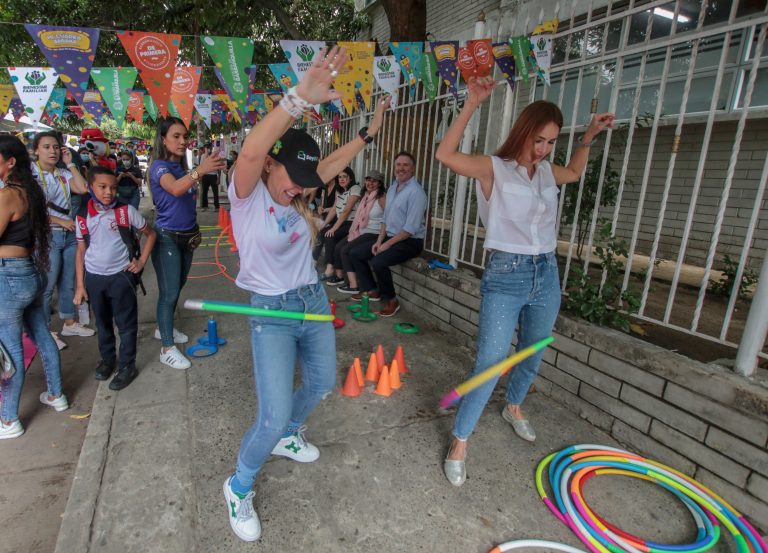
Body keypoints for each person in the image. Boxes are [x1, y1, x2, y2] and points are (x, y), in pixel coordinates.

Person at [223, 46, 390, 541]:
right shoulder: (247, 193)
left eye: (304, 182)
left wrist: (367, 133)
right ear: (273, 165)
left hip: (312, 301)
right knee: (271, 415)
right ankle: (238, 485)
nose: (298, 189)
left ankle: (290, 437)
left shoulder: (298, 186)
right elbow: (252, 150)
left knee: (319, 386)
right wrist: (297, 98)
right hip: (272, 311)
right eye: (291, 178)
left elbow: (334, 160)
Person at [435, 76, 615, 486]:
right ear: (523, 132)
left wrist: (587, 136)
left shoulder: (548, 172)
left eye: (551, 142)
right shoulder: (493, 168)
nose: (545, 149)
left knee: (533, 351)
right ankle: (461, 438)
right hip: (507, 274)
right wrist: (472, 104)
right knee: (491, 362)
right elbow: (445, 154)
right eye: (540, 140)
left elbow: (573, 171)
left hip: (546, 273)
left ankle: (513, 405)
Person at [0, 135, 68, 439]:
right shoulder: (30, 192)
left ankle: (8, 419)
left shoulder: (8, 195)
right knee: (41, 334)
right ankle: (56, 395)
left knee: (10, 350)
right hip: (29, 273)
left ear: (10, 162)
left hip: (9, 277)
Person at [149, 117, 227, 370]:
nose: (183, 141)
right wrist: (201, 170)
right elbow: (174, 190)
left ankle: (165, 329)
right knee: (169, 292)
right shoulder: (160, 167)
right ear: (163, 139)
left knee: (176, 287)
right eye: (176, 136)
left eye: (185, 136)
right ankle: (167, 348)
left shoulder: (181, 167)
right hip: (167, 238)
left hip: (187, 237)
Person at [73, 166, 156, 390]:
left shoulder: (125, 211)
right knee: (102, 322)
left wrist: (141, 262)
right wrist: (80, 285)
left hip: (122, 277)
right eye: (102, 187)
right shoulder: (82, 215)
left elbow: (151, 234)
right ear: (90, 187)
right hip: (94, 278)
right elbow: (81, 250)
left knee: (126, 325)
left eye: (113, 187)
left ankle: (127, 365)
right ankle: (108, 360)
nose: (108, 192)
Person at [32, 131, 95, 350]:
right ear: (36, 150)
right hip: (47, 234)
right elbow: (28, 209)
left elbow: (84, 188)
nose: (53, 151)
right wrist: (58, 220)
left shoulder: (62, 173)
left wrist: (71, 165)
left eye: (56, 147)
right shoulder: (30, 174)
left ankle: (69, 321)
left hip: (69, 232)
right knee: (47, 285)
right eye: (47, 147)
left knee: (68, 281)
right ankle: (44, 331)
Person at [349, 151, 427, 317]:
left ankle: (392, 300)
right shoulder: (392, 189)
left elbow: (409, 229)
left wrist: (386, 245)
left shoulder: (417, 193)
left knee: (378, 262)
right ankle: (372, 289)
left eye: (406, 165)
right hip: (390, 237)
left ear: (413, 169)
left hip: (410, 241)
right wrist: (379, 241)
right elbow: (385, 219)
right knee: (356, 253)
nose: (401, 168)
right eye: (398, 164)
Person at [336, 169, 387, 294]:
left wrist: (381, 239)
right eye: (368, 180)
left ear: (379, 183)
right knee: (340, 247)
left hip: (374, 233)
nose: (370, 183)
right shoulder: (366, 196)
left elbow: (388, 218)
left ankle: (357, 286)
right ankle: (352, 282)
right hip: (362, 231)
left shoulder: (381, 197)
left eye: (374, 181)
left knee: (348, 250)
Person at [318, 167, 361, 285]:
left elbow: (346, 211)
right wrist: (324, 225)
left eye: (344, 177)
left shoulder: (355, 189)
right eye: (340, 177)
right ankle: (334, 272)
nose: (341, 179)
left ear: (350, 177)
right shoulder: (341, 191)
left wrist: (334, 228)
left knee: (330, 235)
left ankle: (331, 270)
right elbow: (333, 210)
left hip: (352, 223)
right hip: (343, 223)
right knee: (323, 232)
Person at [199, 143, 221, 212]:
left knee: (215, 192)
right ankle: (204, 206)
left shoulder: (215, 156)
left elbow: (218, 168)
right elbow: (201, 167)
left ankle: (217, 206)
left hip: (213, 176)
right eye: (206, 148)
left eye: (208, 148)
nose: (207, 149)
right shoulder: (203, 156)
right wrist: (200, 177)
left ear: (211, 148)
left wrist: (218, 178)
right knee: (204, 192)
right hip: (205, 175)